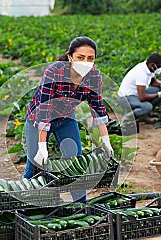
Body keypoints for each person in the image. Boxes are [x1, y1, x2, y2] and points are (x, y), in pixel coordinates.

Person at [23, 36, 113, 202]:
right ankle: (21, 200)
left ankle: (81, 206)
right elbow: (44, 109)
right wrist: (42, 147)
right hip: (38, 118)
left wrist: (106, 140)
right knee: (35, 163)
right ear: (70, 57)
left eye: (90, 58)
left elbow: (98, 109)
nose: (85, 62)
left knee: (75, 164)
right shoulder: (54, 71)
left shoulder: (93, 76)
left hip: (65, 118)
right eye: (80, 57)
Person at [117, 53, 161, 124]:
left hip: (136, 94)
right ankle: (128, 117)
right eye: (158, 67)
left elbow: (153, 82)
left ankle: (143, 116)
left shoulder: (149, 68)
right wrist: (159, 95)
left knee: (158, 89)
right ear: (153, 65)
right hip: (125, 98)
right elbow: (142, 97)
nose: (160, 69)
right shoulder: (141, 74)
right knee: (147, 107)